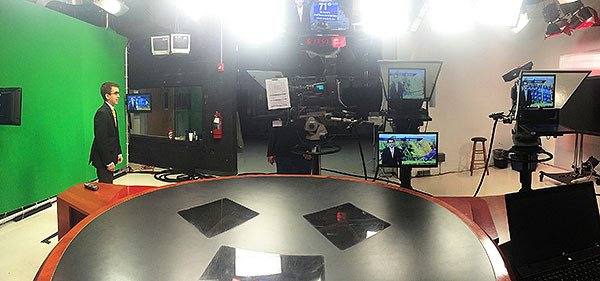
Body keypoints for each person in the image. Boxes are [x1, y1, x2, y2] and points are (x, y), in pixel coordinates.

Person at [89, 82, 123, 183]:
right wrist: (108, 162)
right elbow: (101, 140)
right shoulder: (102, 113)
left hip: (111, 155)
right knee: (106, 189)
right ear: (107, 96)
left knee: (109, 186)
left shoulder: (113, 111)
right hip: (104, 160)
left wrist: (119, 152)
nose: (118, 96)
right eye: (116, 93)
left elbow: (115, 135)